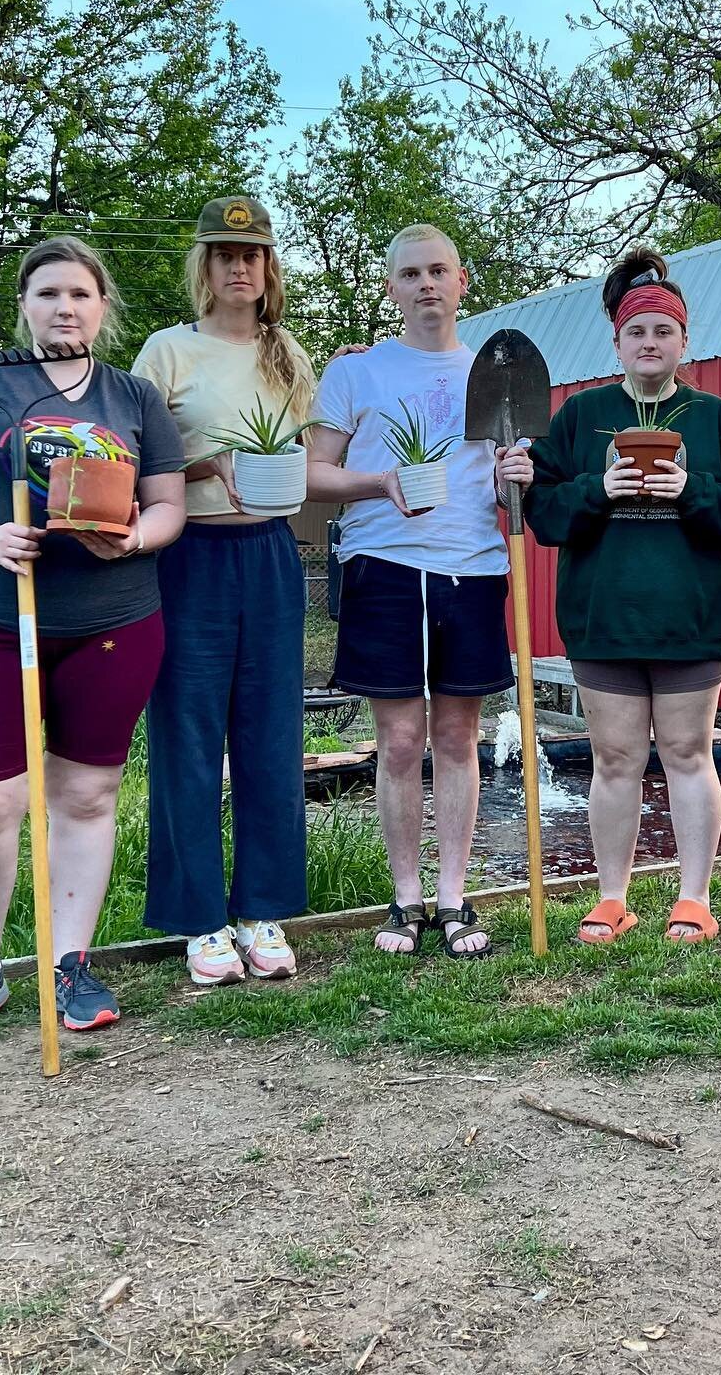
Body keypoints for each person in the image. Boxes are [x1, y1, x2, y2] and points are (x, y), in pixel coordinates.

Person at [0, 238, 187, 1044]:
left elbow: (169, 505)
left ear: (103, 307)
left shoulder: (134, 397)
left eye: (81, 294)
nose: (66, 306)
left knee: (87, 796)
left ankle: (71, 962)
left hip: (112, 623)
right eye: (49, 292)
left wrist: (134, 539)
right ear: (25, 304)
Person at [524, 250, 721, 943]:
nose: (650, 343)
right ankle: (613, 896)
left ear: (683, 341)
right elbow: (540, 512)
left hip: (691, 617)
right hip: (603, 617)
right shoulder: (581, 416)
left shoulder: (714, 419)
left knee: (690, 753)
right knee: (615, 759)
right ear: (618, 341)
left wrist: (690, 491)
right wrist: (596, 490)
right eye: (638, 332)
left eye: (663, 331)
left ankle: (694, 897)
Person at [307, 225, 533, 958]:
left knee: (459, 736)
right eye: (411, 274)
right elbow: (315, 475)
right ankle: (405, 901)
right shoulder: (356, 373)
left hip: (471, 567)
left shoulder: (492, 373)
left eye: (439, 271)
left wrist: (516, 482)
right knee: (400, 741)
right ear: (391, 289)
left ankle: (455, 899)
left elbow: (506, 496)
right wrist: (380, 483)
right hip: (384, 566)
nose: (427, 284)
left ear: (462, 280)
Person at [133, 197, 315, 986]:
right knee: (190, 734)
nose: (239, 266)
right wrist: (210, 467)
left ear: (269, 267)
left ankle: (263, 908)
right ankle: (200, 919)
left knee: (273, 734)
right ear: (203, 266)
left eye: (253, 254)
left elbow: (304, 457)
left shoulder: (289, 356)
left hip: (269, 553)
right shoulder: (167, 352)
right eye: (224, 253)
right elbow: (132, 460)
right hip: (189, 556)